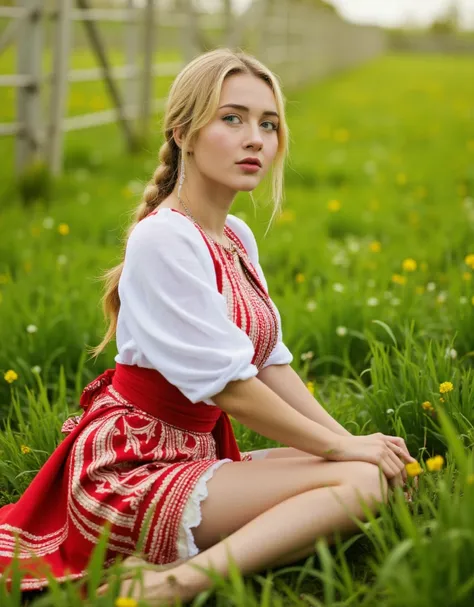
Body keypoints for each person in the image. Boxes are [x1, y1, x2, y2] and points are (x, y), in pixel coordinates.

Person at [0, 48, 417, 603]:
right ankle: (168, 586)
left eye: (268, 125)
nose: (256, 139)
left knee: (380, 470)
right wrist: (347, 455)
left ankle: (208, 559)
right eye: (233, 118)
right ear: (184, 132)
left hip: (195, 453)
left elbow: (270, 364)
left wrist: (351, 441)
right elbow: (232, 389)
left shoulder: (235, 235)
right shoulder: (163, 237)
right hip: (130, 471)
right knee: (359, 482)